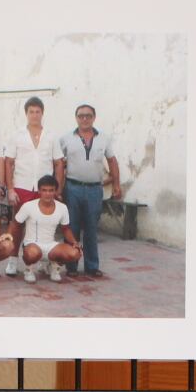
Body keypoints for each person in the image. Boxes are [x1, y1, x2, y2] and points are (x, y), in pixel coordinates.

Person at [55, 103, 122, 278]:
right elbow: (58, 163)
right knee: (72, 228)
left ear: (94, 117)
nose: (84, 119)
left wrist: (116, 184)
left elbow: (112, 161)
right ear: (76, 117)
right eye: (81, 115)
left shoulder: (104, 139)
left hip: (94, 189)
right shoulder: (65, 139)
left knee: (92, 229)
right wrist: (58, 188)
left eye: (88, 115)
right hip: (72, 188)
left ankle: (92, 266)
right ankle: (71, 266)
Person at [0, 96, 62, 277]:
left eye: (38, 112)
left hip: (44, 189)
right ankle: (12, 260)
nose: (34, 115)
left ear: (43, 113)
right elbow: (9, 162)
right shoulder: (16, 135)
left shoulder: (51, 136)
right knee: (17, 225)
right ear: (26, 114)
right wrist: (10, 189)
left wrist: (57, 189)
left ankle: (42, 261)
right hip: (22, 186)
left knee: (45, 224)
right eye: (31, 112)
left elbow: (58, 163)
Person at [16, 175, 82, 284]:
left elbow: (66, 229)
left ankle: (54, 266)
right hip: (32, 245)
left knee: (75, 253)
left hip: (51, 245)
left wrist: (74, 242)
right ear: (39, 191)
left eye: (51, 190)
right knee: (32, 253)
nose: (47, 193)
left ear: (55, 191)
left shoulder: (62, 207)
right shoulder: (28, 206)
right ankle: (29, 270)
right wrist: (8, 238)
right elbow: (16, 224)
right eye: (44, 190)